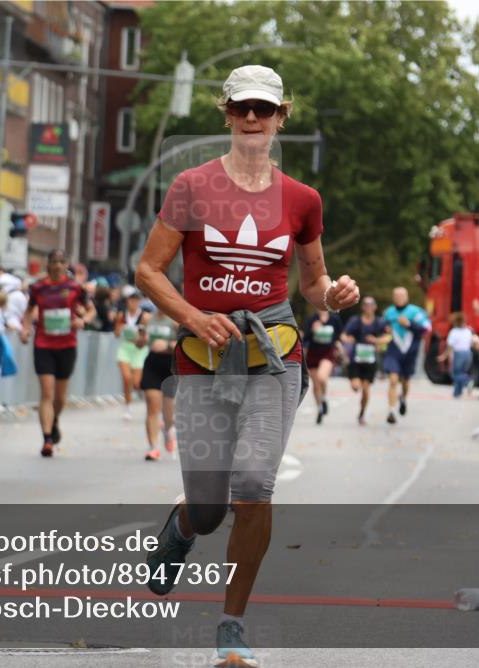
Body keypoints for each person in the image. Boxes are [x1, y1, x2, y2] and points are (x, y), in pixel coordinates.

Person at [134, 65, 360, 665]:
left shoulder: (302, 200)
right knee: (209, 510)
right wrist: (191, 316)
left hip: (274, 355)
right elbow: (149, 270)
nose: (253, 119)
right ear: (226, 114)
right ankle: (181, 530)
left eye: (264, 109)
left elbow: (313, 280)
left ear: (283, 114)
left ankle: (231, 625)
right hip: (203, 359)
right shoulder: (190, 186)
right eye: (242, 109)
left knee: (255, 486)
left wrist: (333, 295)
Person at [21, 248, 92, 457]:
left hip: (67, 345)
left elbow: (91, 310)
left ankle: (54, 420)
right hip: (43, 344)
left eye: (62, 262)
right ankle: (47, 440)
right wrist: (25, 329)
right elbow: (28, 312)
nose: (58, 265)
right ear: (48, 264)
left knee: (60, 398)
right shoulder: (38, 287)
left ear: (66, 265)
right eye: (55, 261)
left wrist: (82, 320)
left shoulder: (75, 288)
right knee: (47, 392)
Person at [381, 286, 431, 425]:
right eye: (397, 296)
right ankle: (392, 411)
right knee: (393, 380)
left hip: (410, 352)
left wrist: (409, 324)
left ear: (407, 297)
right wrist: (385, 328)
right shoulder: (389, 312)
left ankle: (403, 398)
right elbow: (381, 326)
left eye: (402, 296)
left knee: (405, 381)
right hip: (394, 351)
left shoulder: (416, 312)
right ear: (393, 298)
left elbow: (427, 329)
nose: (399, 298)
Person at [139, 308, 178, 461]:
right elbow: (140, 343)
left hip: (170, 365)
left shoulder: (175, 320)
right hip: (152, 363)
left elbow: (184, 344)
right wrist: (140, 340)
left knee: (168, 409)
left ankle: (168, 431)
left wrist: (167, 345)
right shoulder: (147, 319)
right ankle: (153, 447)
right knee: (151, 403)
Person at [341, 296, 387, 425]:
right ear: (362, 307)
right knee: (356, 387)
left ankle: (361, 413)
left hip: (370, 361)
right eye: (366, 305)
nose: (368, 307)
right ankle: (355, 383)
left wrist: (376, 341)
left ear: (375, 307)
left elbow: (388, 337)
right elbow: (343, 334)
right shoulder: (355, 321)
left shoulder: (379, 322)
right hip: (356, 359)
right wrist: (347, 339)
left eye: (371, 305)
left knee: (366, 390)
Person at [302, 308, 344, 424]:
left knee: (322, 378)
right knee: (315, 385)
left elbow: (339, 336)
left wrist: (339, 345)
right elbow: (305, 339)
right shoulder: (312, 319)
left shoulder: (334, 319)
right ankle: (319, 408)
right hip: (313, 354)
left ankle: (324, 397)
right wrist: (312, 330)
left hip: (328, 353)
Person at [115, 289, 150, 421]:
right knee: (126, 378)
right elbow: (117, 334)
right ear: (127, 301)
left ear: (140, 302)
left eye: (136, 300)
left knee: (136, 383)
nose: (134, 303)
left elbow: (146, 336)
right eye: (131, 300)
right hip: (125, 349)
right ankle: (128, 408)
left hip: (139, 350)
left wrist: (140, 336)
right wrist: (121, 327)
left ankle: (144, 398)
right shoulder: (121, 315)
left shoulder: (145, 317)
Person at [441, 311, 473, 398]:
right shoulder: (468, 331)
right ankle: (457, 392)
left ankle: (468, 380)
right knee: (462, 372)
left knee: (455, 374)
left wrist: (444, 356)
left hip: (459, 353)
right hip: (468, 353)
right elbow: (471, 343)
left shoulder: (454, 332)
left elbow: (450, 346)